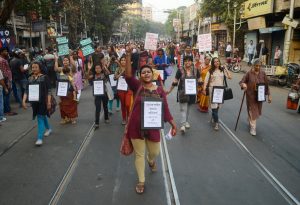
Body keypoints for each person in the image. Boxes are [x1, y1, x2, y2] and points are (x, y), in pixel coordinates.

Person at [124, 45, 177, 194]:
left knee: (154, 152)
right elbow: (128, 76)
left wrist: (173, 124)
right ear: (140, 76)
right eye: (143, 72)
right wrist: (128, 55)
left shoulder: (159, 90)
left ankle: (151, 160)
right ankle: (141, 180)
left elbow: (165, 109)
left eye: (148, 72)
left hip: (153, 126)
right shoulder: (137, 86)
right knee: (139, 154)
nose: (146, 74)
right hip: (136, 126)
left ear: (152, 74)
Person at [166, 55, 200, 134]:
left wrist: (202, 88)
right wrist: (169, 90)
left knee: (188, 108)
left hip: (192, 92)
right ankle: (183, 125)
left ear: (191, 62)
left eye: (189, 60)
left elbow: (199, 79)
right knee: (183, 108)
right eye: (186, 61)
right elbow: (175, 81)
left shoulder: (195, 70)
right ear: (183, 62)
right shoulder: (180, 70)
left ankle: (186, 121)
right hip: (182, 92)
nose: (187, 62)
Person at [22, 62, 52, 146]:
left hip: (43, 102)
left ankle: (39, 138)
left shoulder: (45, 77)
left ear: (40, 68)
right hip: (34, 102)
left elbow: (49, 91)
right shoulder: (29, 78)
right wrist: (23, 101)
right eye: (33, 67)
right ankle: (49, 129)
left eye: (36, 67)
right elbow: (26, 90)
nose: (34, 69)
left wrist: (49, 102)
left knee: (40, 117)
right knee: (42, 115)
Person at [239, 59, 271, 136]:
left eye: (259, 66)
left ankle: (250, 119)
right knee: (252, 110)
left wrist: (269, 95)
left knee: (257, 111)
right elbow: (242, 81)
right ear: (253, 65)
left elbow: (266, 85)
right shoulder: (249, 73)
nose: (258, 67)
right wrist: (244, 85)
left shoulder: (263, 73)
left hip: (260, 96)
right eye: (256, 66)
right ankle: (253, 128)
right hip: (251, 95)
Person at [203, 57, 232, 131]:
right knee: (214, 108)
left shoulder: (222, 70)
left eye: (218, 61)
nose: (217, 63)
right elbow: (206, 81)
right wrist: (204, 89)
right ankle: (216, 123)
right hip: (212, 90)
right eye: (215, 62)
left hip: (220, 91)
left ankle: (213, 117)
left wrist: (226, 69)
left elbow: (230, 77)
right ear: (213, 63)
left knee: (217, 107)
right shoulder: (210, 71)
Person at [54, 55, 78, 124]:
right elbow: (55, 69)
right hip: (62, 89)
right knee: (62, 104)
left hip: (70, 89)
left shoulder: (71, 68)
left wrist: (71, 57)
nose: (65, 61)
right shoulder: (61, 69)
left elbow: (74, 66)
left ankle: (72, 118)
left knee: (71, 104)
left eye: (67, 60)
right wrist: (56, 60)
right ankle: (65, 118)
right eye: (64, 60)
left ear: (69, 61)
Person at [114, 55, 132, 125]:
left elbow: (132, 77)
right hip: (121, 89)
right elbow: (115, 78)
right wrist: (122, 72)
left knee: (128, 104)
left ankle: (129, 117)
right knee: (123, 104)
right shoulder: (118, 69)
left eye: (125, 60)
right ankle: (124, 119)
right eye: (122, 60)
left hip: (129, 89)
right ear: (120, 61)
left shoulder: (129, 68)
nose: (123, 61)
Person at [0, 47, 16, 116]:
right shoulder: (2, 60)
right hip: (6, 79)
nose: (7, 52)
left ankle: (6, 109)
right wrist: (8, 81)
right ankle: (7, 111)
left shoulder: (3, 59)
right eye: (5, 51)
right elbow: (4, 72)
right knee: (6, 95)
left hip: (5, 79)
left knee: (5, 95)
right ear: (1, 52)